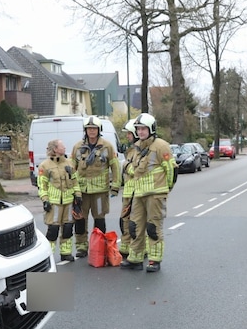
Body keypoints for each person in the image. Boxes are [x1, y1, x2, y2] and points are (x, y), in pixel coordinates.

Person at [121, 113, 174, 272]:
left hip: (155, 194)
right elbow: (136, 169)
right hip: (139, 194)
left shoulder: (161, 146)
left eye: (143, 128)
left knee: (153, 227)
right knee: (135, 226)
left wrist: (166, 189)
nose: (141, 132)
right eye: (138, 129)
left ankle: (154, 260)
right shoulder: (138, 147)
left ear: (151, 129)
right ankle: (135, 259)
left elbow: (171, 169)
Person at [70, 116, 120, 258]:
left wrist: (115, 185)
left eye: (94, 129)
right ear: (85, 131)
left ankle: (98, 245)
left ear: (99, 130)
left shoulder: (107, 146)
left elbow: (115, 166)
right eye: (89, 129)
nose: (91, 131)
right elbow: (71, 167)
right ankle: (81, 247)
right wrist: (72, 189)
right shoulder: (77, 147)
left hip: (100, 191)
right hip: (81, 192)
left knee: (99, 219)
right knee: (79, 219)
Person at [36, 139, 79, 262]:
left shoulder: (70, 163)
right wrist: (45, 200)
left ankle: (66, 253)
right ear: (55, 149)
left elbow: (75, 180)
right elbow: (42, 185)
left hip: (69, 201)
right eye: (62, 146)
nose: (65, 147)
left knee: (68, 227)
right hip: (54, 203)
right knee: (53, 230)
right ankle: (48, 255)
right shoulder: (45, 166)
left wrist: (78, 195)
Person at [118, 119, 138, 258]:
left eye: (129, 134)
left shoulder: (140, 151)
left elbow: (136, 170)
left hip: (136, 192)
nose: (127, 136)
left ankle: (140, 250)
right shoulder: (131, 150)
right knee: (124, 221)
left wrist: (125, 165)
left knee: (136, 223)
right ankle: (125, 248)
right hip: (128, 192)